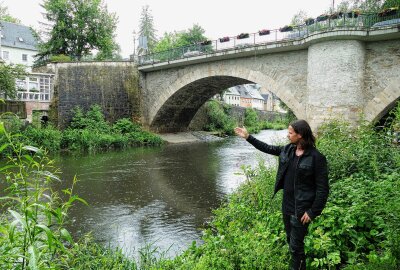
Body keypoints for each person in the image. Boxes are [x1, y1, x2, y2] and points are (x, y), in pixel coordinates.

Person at [234, 119, 329, 270]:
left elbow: (323, 189)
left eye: (290, 133)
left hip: (301, 209)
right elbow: (268, 148)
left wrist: (312, 211)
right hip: (287, 206)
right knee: (290, 240)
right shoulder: (288, 150)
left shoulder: (316, 158)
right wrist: (248, 137)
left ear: (300, 135)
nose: (287, 135)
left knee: (295, 246)